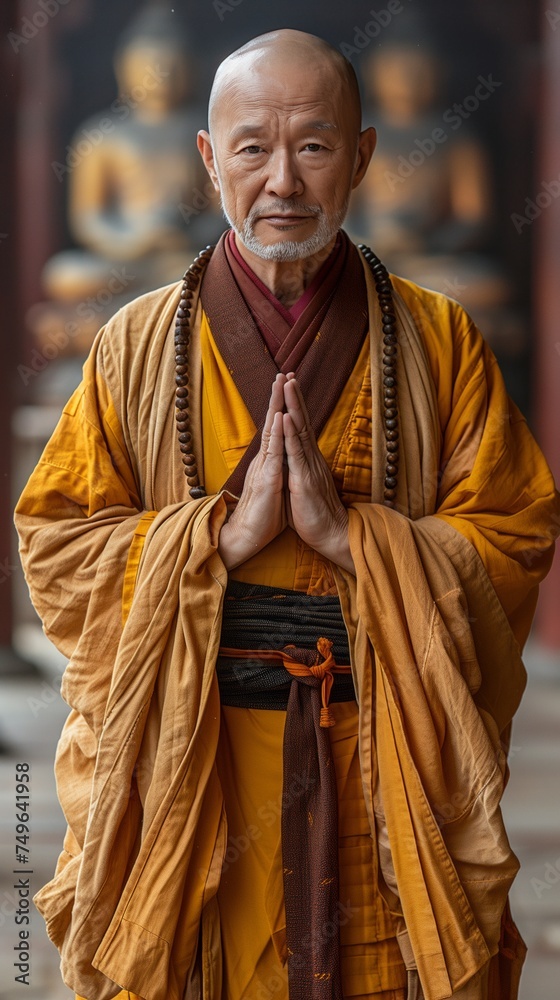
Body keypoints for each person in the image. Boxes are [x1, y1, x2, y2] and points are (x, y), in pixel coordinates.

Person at [15, 28, 559, 1000]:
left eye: (312, 146)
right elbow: (58, 540)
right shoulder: (134, 345)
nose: (282, 181)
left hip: (376, 749)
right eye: (253, 147)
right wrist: (213, 538)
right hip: (198, 750)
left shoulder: (439, 341)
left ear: (360, 155)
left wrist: (354, 539)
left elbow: (513, 529)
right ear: (207, 156)